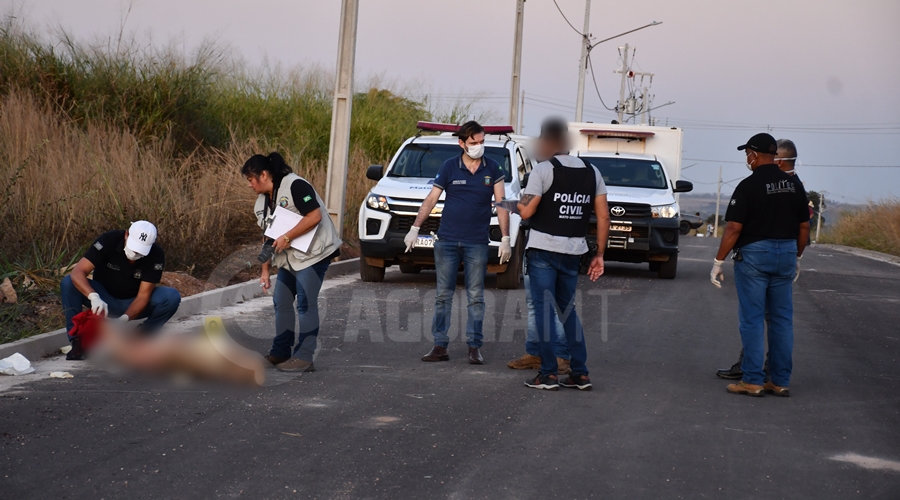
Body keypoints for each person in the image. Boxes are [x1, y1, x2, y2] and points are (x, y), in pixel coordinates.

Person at [710, 133, 810, 397]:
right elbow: (803, 227)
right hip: (786, 253)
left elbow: (733, 227)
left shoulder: (748, 186)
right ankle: (779, 381)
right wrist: (797, 256)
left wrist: (718, 261)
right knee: (781, 320)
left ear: (754, 154)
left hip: (755, 254)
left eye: (747, 154)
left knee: (752, 319)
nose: (747, 159)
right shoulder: (793, 186)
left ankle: (753, 379)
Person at [517, 117, 610, 391]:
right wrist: (600, 255)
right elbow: (603, 217)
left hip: (543, 250)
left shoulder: (543, 170)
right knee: (568, 311)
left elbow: (526, 211)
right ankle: (580, 373)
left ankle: (547, 375)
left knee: (545, 312)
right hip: (573, 251)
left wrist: (518, 201)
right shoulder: (592, 172)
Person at [409, 120, 511, 364]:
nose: (479, 146)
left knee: (476, 296)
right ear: (462, 143)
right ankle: (439, 345)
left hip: (477, 242)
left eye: (482, 142)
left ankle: (474, 347)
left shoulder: (493, 168)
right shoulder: (449, 167)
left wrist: (506, 237)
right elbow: (431, 199)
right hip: (447, 241)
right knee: (443, 295)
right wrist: (415, 227)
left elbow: (501, 204)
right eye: (474, 143)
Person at [244, 152, 342, 373]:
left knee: (306, 303)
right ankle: (280, 352)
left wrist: (287, 237)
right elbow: (268, 236)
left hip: (314, 255)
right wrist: (265, 270)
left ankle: (305, 357)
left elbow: (314, 216)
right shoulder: (262, 202)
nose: (249, 185)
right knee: (281, 300)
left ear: (263, 174)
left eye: (250, 179)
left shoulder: (295, 185)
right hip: (292, 258)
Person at [60, 221, 182, 360]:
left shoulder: (155, 254)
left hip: (133, 302)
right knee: (69, 282)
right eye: (134, 247)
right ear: (126, 235)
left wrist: (122, 320)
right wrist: (93, 296)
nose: (135, 253)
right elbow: (78, 272)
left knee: (171, 297)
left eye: (140, 251)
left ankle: (140, 337)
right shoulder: (109, 240)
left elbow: (143, 296)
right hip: (103, 299)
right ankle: (77, 342)